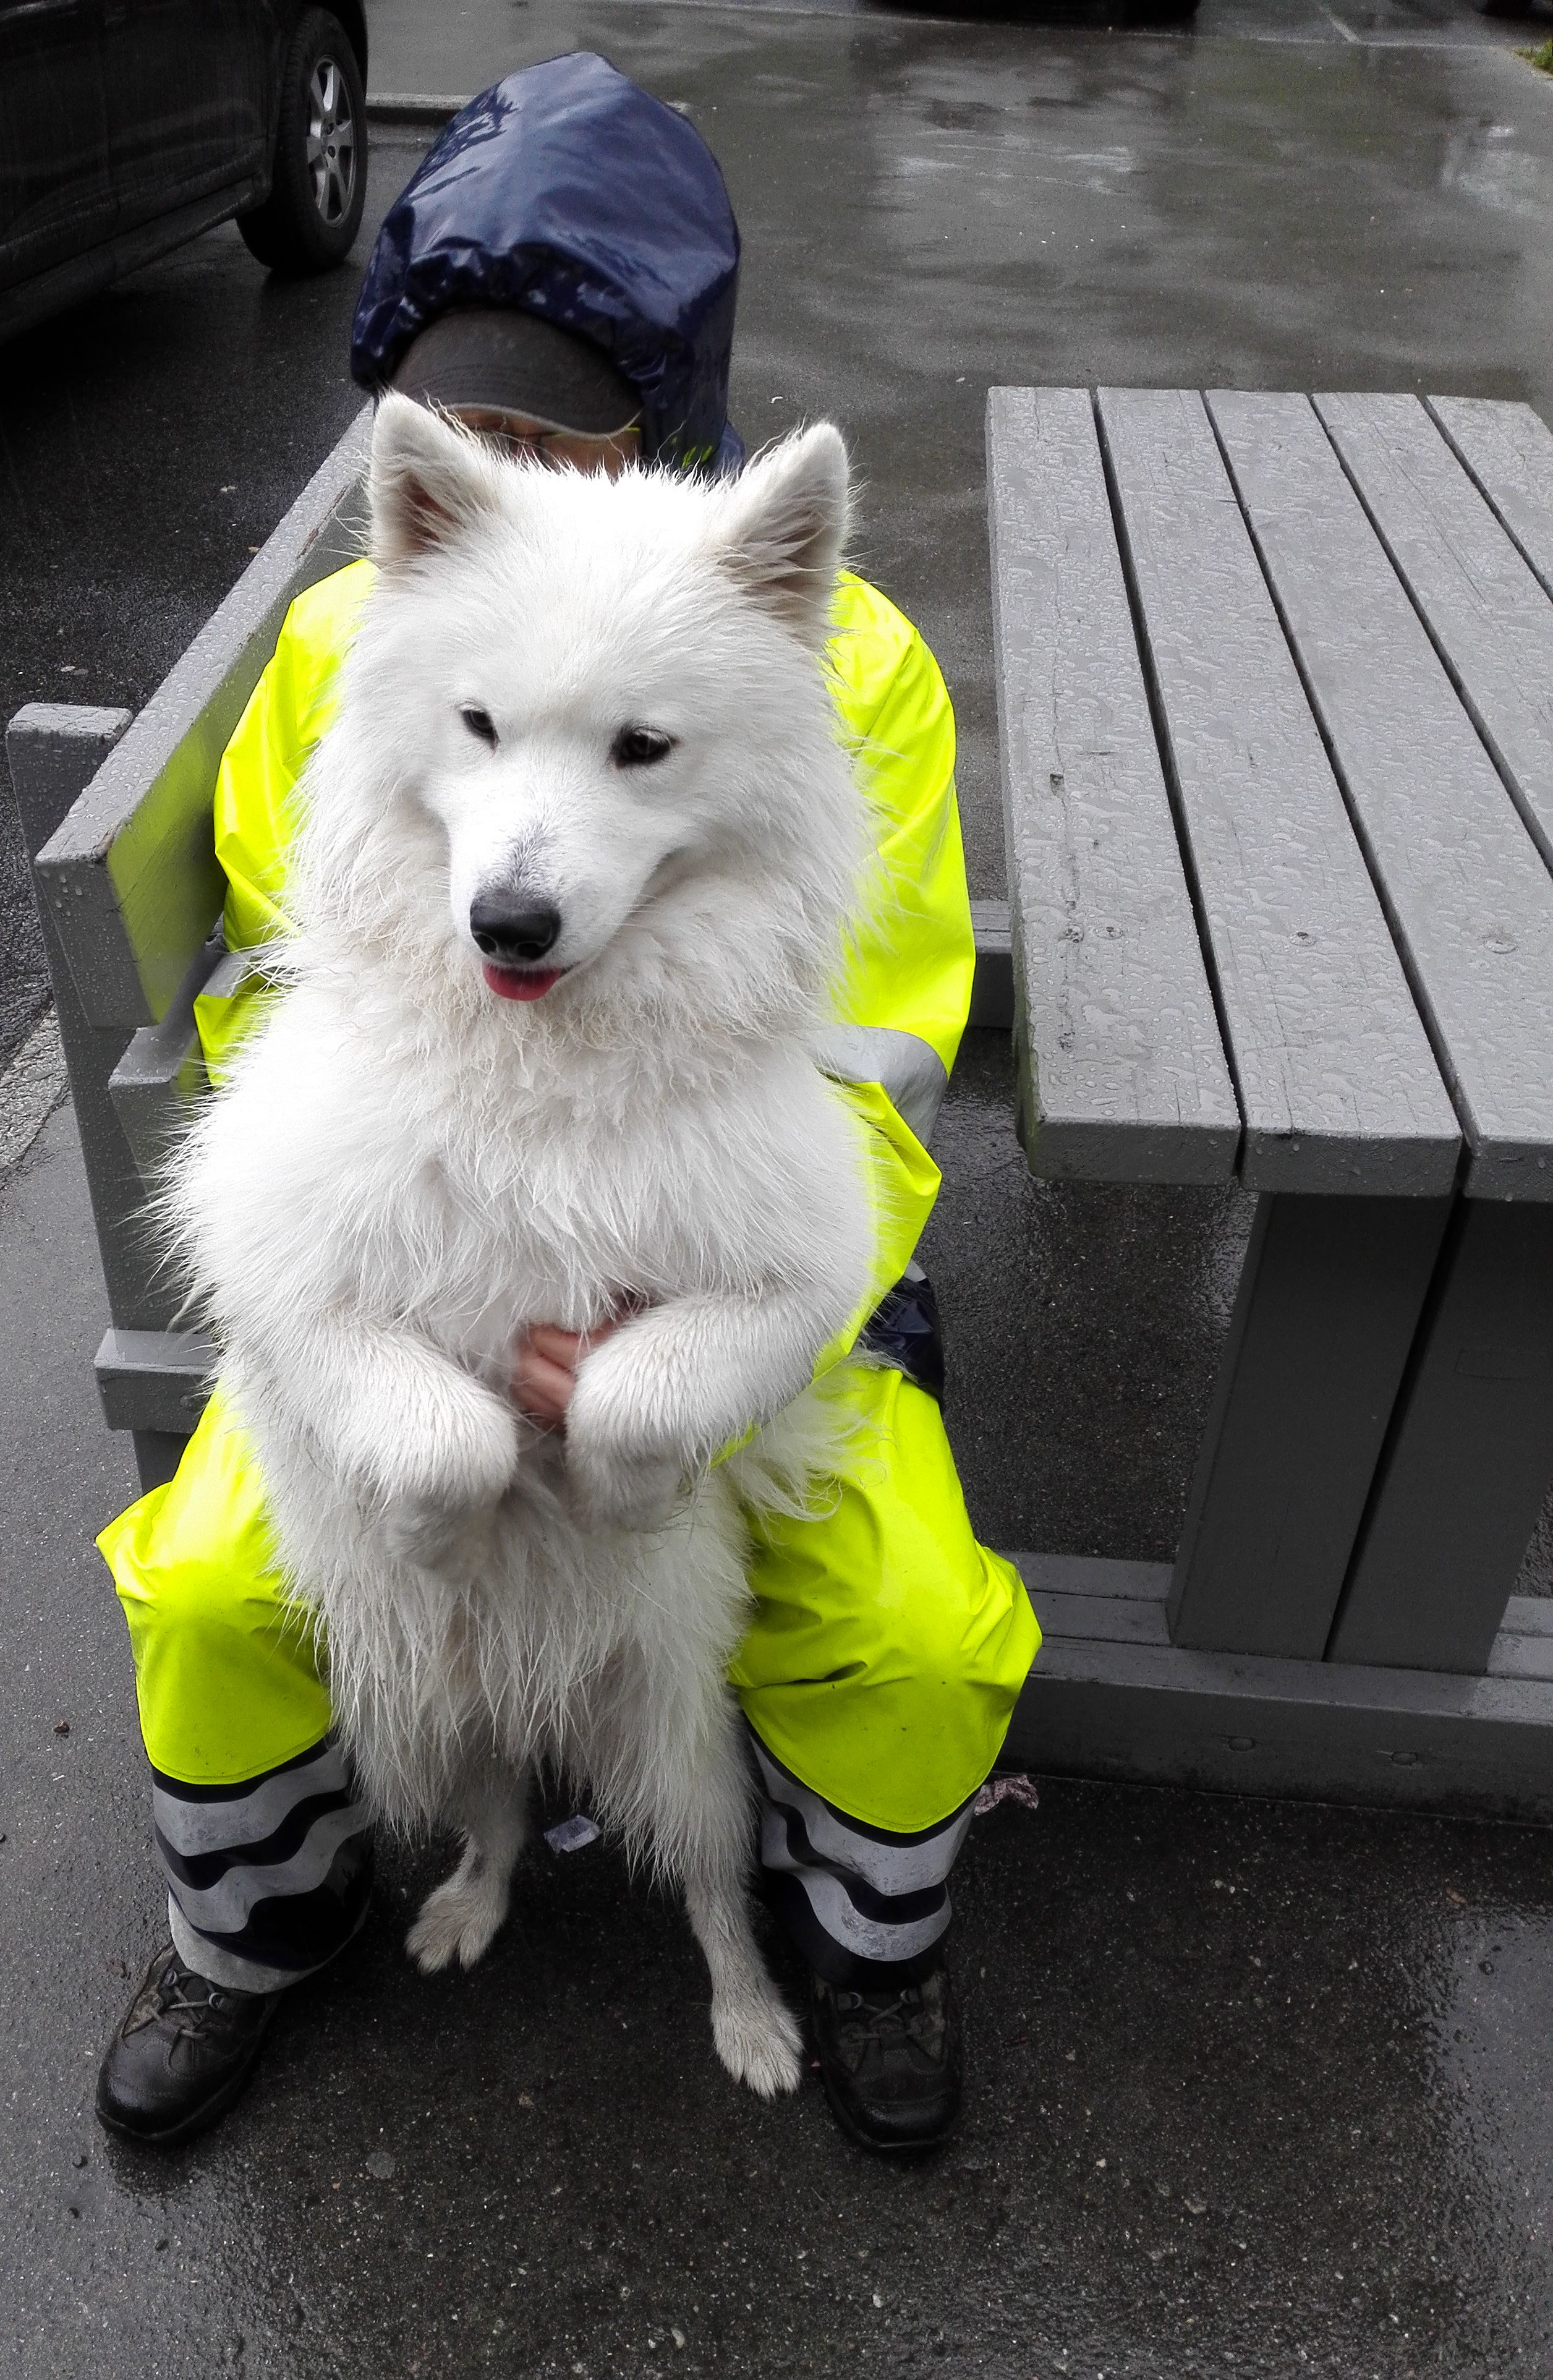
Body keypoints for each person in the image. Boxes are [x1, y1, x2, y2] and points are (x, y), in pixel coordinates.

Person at [93, 52, 1039, 2157]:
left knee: (908, 1625)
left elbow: (882, 1083)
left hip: (739, 1284)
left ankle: (869, 1948)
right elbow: (276, 1019)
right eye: (460, 431)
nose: (501, 476)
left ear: (665, 405)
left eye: (556, 428)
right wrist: (419, 1317)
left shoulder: (836, 656)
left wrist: (663, 1348)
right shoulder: (359, 640)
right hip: (409, 1277)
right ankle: (248, 1927)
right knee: (221, 1590)